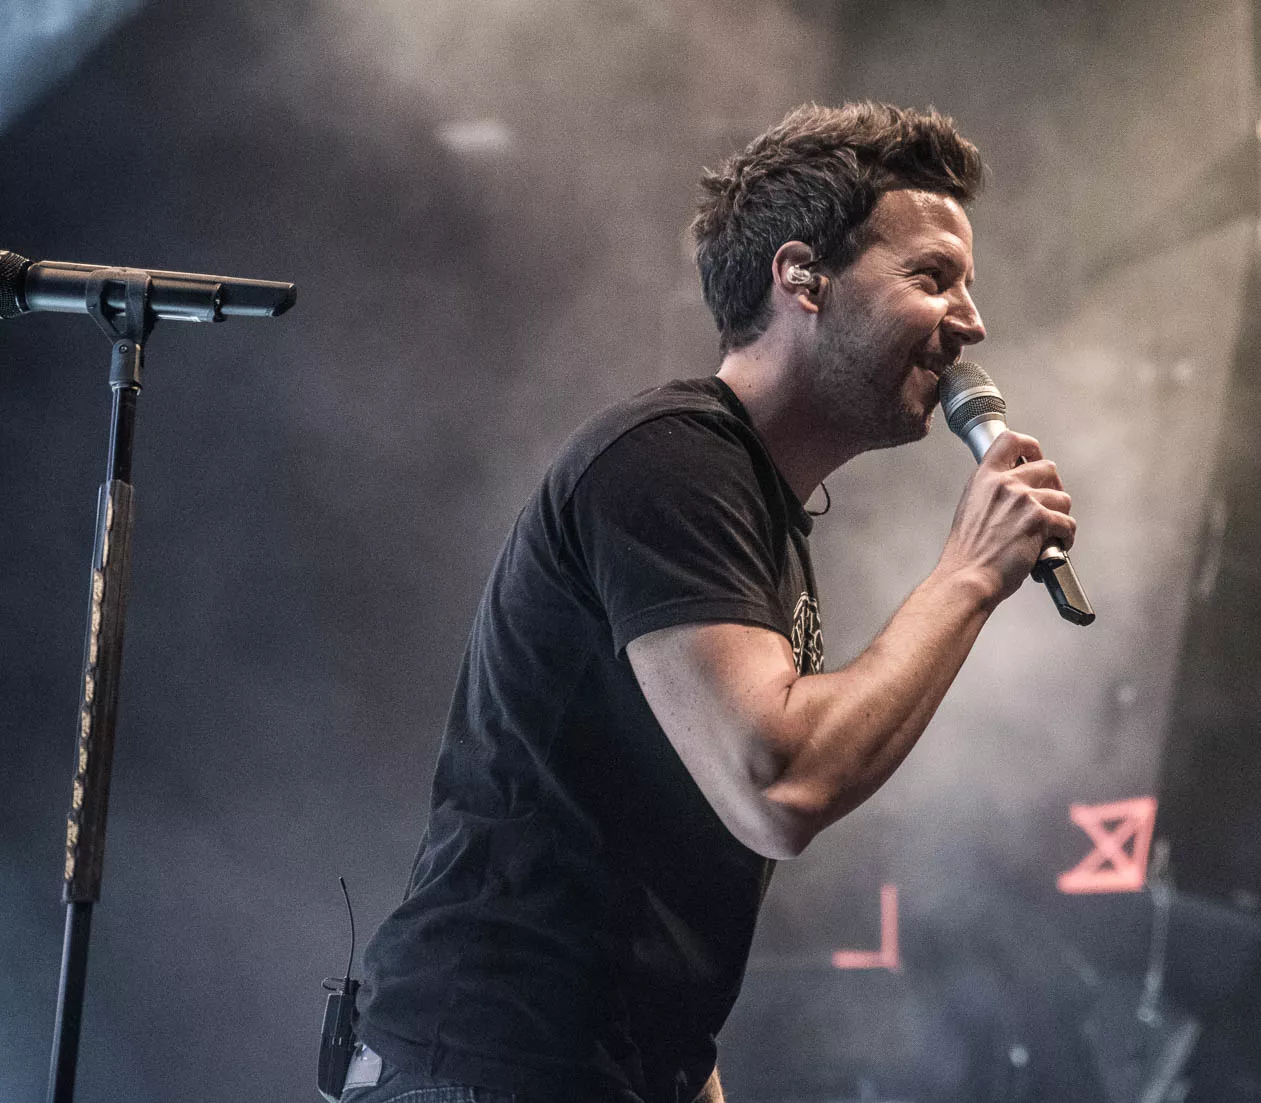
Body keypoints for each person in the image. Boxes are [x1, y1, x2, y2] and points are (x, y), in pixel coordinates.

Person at [345, 102, 1076, 1103]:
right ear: (801, 276)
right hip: (488, 1068)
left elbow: (648, 858)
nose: (971, 320)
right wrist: (970, 573)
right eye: (932, 276)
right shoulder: (670, 458)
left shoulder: (754, 513)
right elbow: (779, 786)